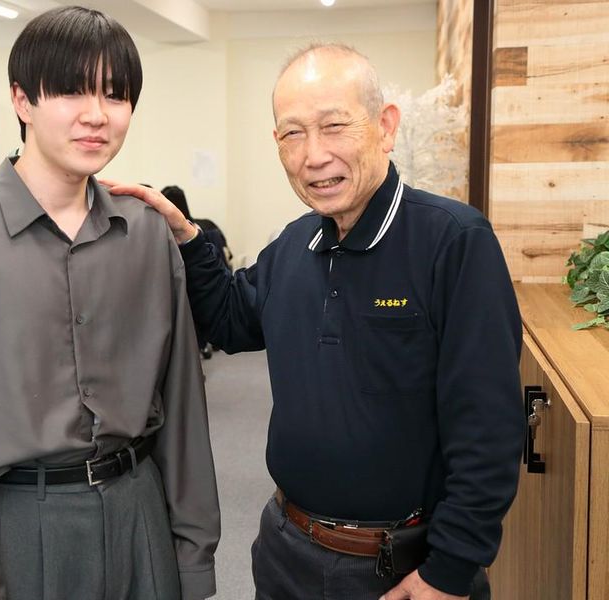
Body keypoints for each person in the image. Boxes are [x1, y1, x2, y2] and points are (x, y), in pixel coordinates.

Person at [107, 43, 525, 600]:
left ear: (385, 126)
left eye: (334, 126)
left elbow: (490, 427)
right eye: (292, 134)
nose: (314, 155)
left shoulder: (453, 242)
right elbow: (232, 319)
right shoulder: (294, 243)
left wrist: (448, 572)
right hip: (286, 551)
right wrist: (188, 237)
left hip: (400, 569)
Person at [0, 7, 219, 600]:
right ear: (23, 100)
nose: (97, 115)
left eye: (115, 95)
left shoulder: (146, 234)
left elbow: (182, 405)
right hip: (21, 530)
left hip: (141, 516)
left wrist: (193, 560)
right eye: (72, 91)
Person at [161, 184, 233, 358]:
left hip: (185, 288)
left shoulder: (170, 234)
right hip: (214, 285)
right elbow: (228, 254)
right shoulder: (206, 226)